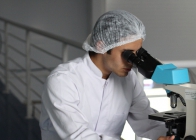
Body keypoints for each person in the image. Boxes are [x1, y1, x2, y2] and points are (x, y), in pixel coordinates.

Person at [39, 10, 175, 140]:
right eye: (127, 54)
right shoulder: (63, 80)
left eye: (137, 54)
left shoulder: (128, 79)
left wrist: (173, 134)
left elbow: (147, 122)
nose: (132, 62)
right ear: (101, 46)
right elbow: (79, 136)